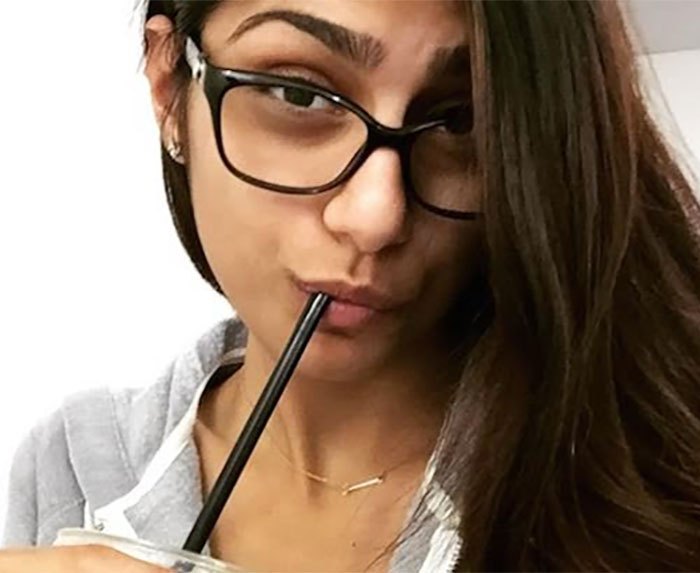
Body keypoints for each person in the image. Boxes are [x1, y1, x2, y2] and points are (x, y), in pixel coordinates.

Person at [2, 0, 700, 570]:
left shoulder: (643, 476)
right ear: (168, 88)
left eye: (460, 120)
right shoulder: (74, 465)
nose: (375, 217)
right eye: (299, 93)